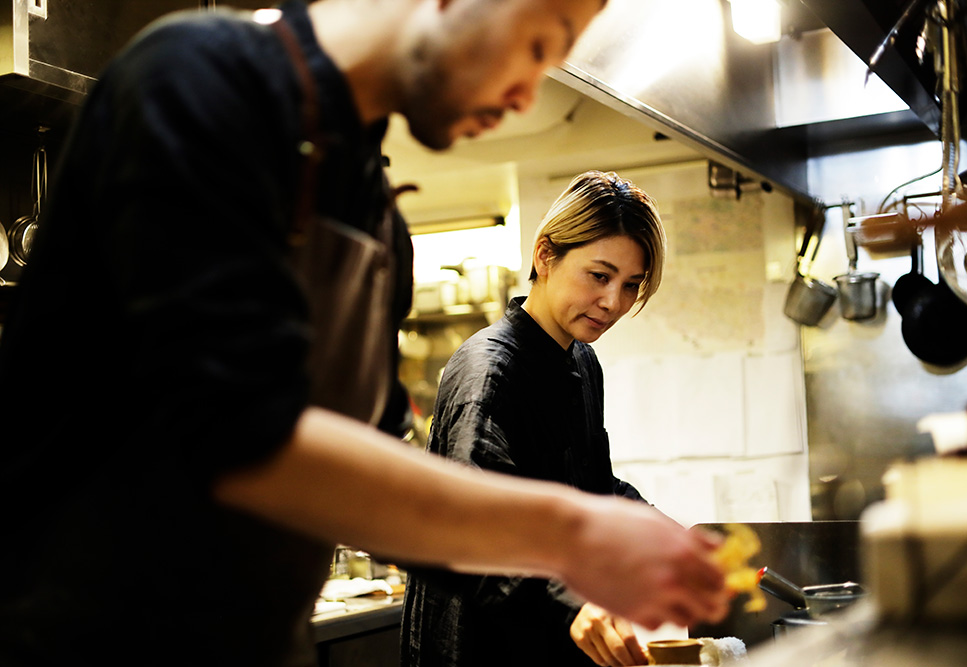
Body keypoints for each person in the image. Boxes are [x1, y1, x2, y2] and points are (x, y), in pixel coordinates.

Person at [0, 1, 728, 666]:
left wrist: (617, 552)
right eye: (537, 45)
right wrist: (575, 534)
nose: (525, 96)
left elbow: (382, 469)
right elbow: (237, 435)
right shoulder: (199, 79)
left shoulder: (378, 221)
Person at [402, 171, 717, 667]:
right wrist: (571, 603)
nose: (613, 302)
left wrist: (675, 539)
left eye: (630, 285)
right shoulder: (490, 370)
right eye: (599, 275)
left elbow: (593, 487)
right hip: (485, 649)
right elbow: (472, 524)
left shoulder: (579, 360)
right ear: (545, 255)